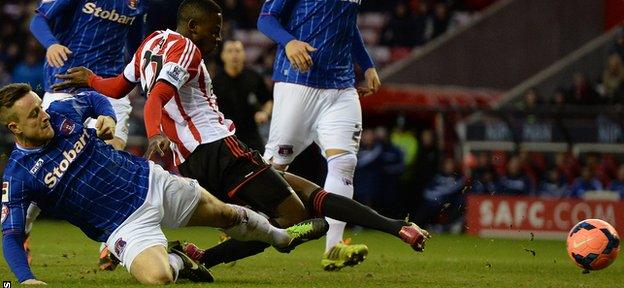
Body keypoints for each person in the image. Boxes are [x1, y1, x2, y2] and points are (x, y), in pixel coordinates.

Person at [53, 0, 429, 271]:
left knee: (304, 191)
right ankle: (201, 258)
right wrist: (153, 135)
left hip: (191, 162)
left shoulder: (151, 42)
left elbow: (118, 87)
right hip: (221, 149)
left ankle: (398, 228)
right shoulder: (187, 50)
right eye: (214, 31)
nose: (217, 39)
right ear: (193, 27)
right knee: (299, 218)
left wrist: (90, 80)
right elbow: (157, 100)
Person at [0, 83, 328, 285]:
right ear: (14, 127)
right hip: (122, 226)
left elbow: (94, 100)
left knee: (226, 215)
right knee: (158, 278)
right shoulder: (17, 176)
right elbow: (12, 233)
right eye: (33, 115)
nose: (43, 115)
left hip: (150, 181)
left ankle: (281, 237)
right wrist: (26, 279)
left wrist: (109, 117)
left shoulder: (60, 113)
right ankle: (180, 261)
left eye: (40, 106)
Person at [257, 0, 381, 270]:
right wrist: (289, 42)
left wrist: (366, 64)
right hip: (297, 82)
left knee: (344, 163)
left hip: (341, 86)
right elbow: (266, 18)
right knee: (274, 167)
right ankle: (240, 219)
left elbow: (347, 25)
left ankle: (334, 247)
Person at [28, 0, 148, 269]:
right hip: (66, 82)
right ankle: (20, 230)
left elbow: (137, 46)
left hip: (107, 86)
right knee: (50, 166)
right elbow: (38, 19)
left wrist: (139, 79)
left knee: (113, 163)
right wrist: (52, 44)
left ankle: (112, 243)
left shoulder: (139, 4)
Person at [212, 40, 272, 153]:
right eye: (230, 51)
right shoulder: (214, 82)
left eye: (238, 51)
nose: (234, 55)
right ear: (222, 55)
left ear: (244, 54)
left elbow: (268, 100)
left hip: (251, 135)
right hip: (225, 136)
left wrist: (264, 113)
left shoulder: (254, 77)